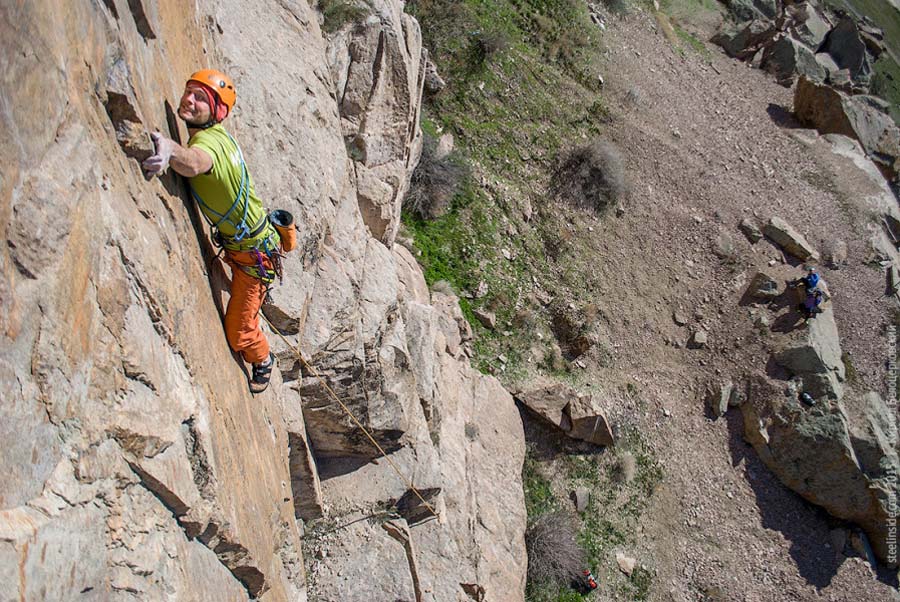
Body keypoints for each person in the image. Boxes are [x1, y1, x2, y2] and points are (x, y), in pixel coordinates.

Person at [143, 69, 281, 393]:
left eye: (200, 98)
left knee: (239, 333)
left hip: (254, 259)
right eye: (189, 92)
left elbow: (195, 162)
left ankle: (263, 358)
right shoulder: (219, 135)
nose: (189, 100)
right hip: (249, 246)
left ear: (217, 111)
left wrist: (170, 150)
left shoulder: (208, 143)